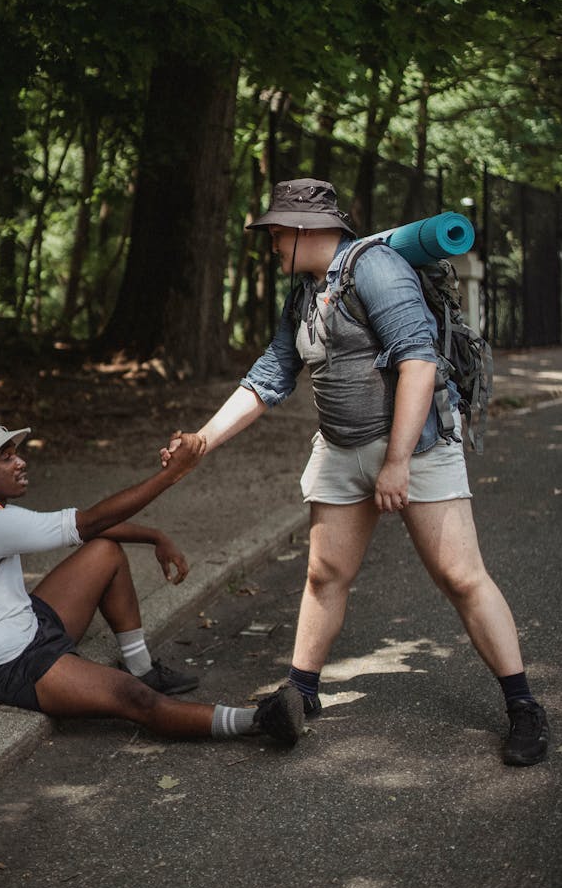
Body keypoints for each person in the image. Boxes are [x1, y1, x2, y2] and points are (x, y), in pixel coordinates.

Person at [161, 178, 549, 767]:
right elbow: (272, 373)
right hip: (341, 450)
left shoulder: (377, 268)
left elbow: (417, 359)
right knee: (325, 574)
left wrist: (396, 463)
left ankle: (524, 706)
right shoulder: (304, 293)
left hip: (414, 450)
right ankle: (302, 692)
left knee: (462, 577)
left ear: (304, 229)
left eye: (274, 234)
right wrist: (203, 440)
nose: (269, 244)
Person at [0, 412, 304, 747]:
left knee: (105, 551)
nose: (21, 462)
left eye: (16, 453)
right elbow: (89, 521)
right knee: (134, 699)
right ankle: (258, 721)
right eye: (7, 457)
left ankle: (141, 667)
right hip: (9, 666)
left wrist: (153, 536)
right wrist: (171, 474)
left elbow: (94, 529)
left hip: (29, 624)